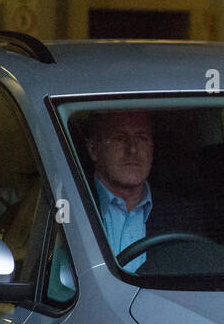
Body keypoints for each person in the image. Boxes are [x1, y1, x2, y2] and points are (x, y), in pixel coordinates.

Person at [84, 110, 202, 272]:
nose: (132, 149)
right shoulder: (72, 205)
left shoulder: (182, 215)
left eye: (141, 138)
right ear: (93, 150)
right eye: (119, 138)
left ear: (152, 149)